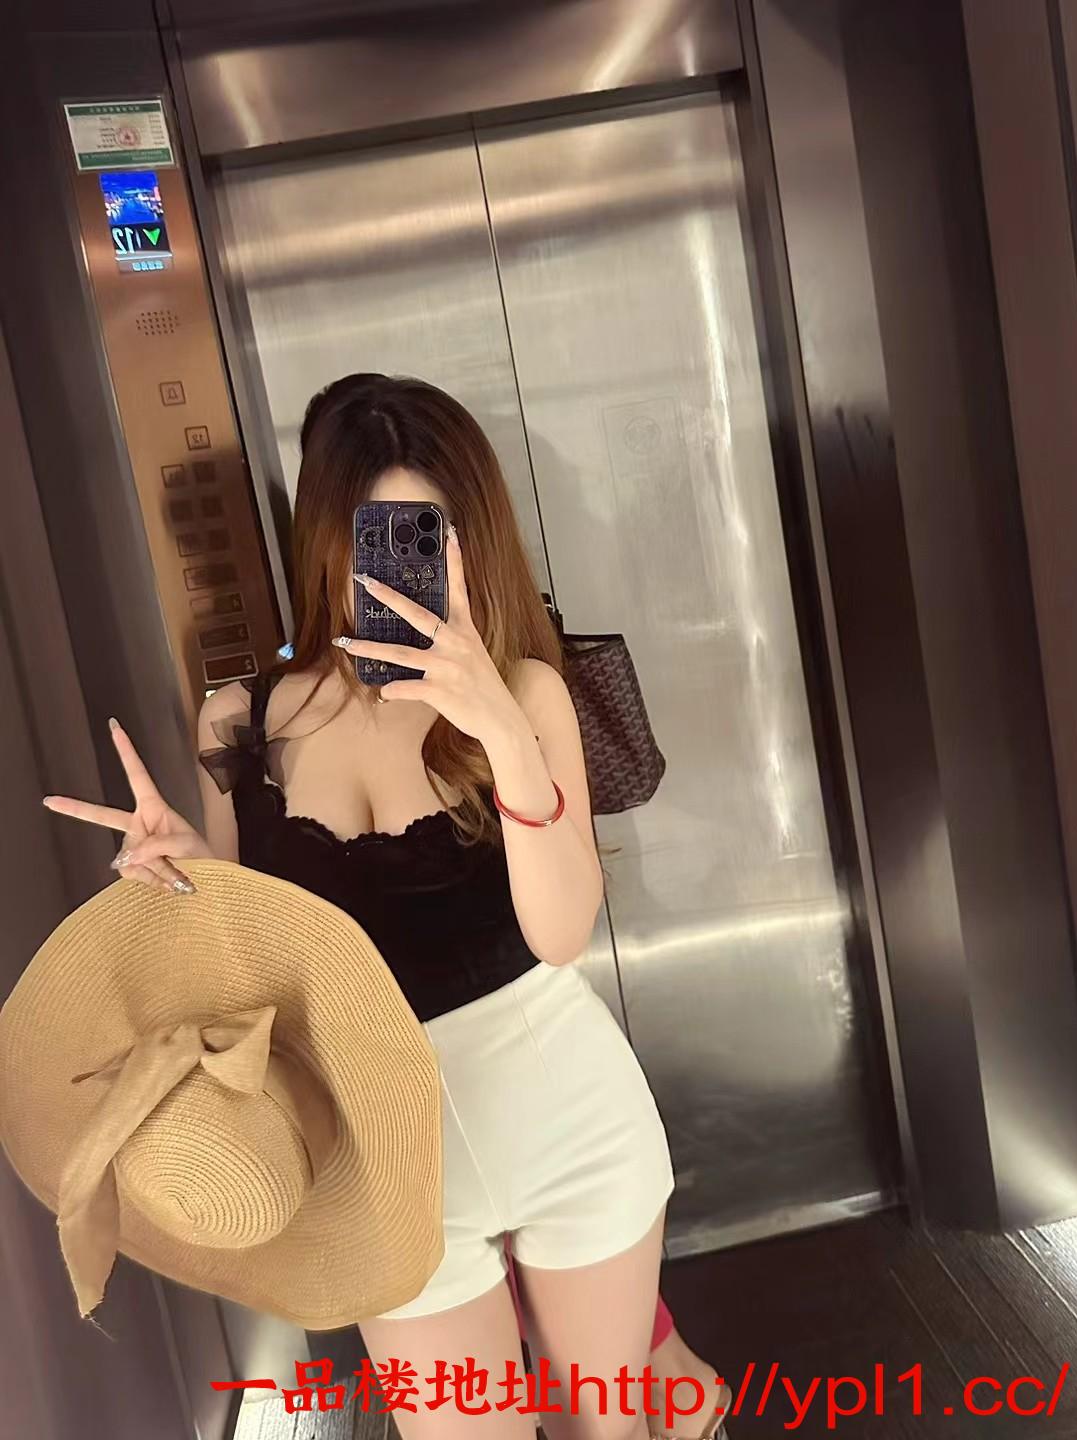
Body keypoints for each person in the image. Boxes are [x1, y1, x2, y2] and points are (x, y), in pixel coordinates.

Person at [42, 375, 729, 1440]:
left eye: (432, 534)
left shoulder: (526, 693)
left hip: (570, 1121)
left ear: (474, 536)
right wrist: (190, 875)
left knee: (610, 1432)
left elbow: (559, 936)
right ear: (330, 541)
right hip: (380, 1167)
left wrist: (501, 731)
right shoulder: (242, 723)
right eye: (380, 539)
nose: (406, 569)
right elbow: (259, 969)